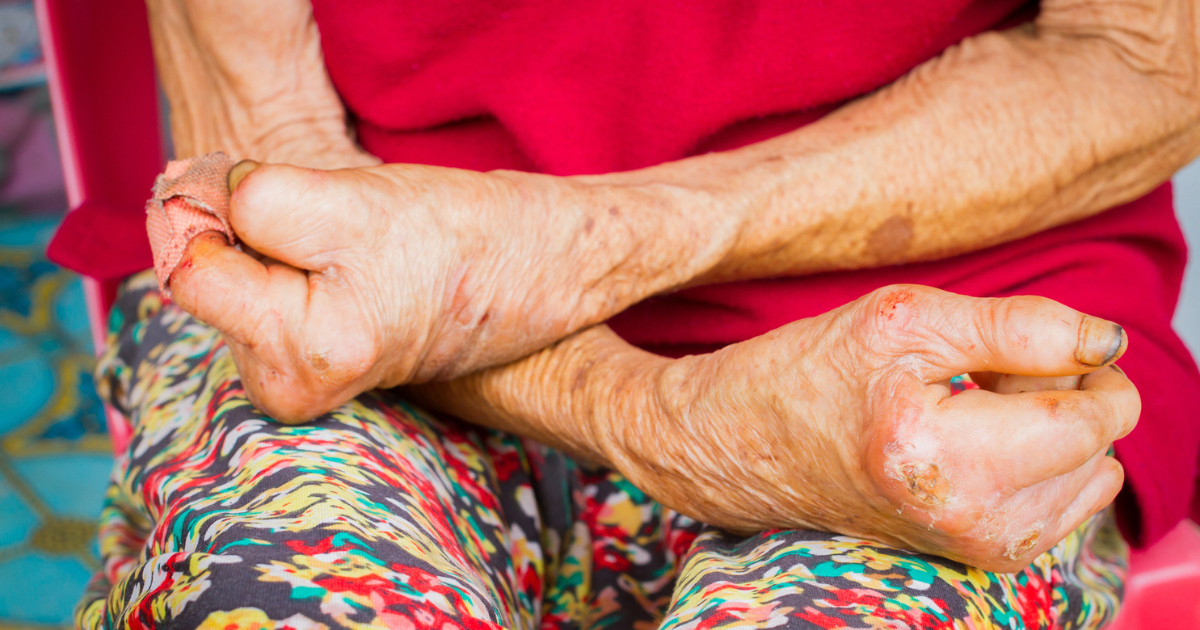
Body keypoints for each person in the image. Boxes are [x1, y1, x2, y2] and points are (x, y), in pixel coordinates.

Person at [68, 0, 1199, 628]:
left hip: (932, 310)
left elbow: (1148, 61)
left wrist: (598, 242)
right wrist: (665, 417)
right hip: (363, 280)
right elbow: (286, 181)